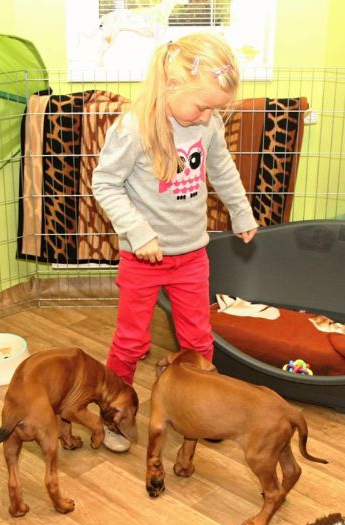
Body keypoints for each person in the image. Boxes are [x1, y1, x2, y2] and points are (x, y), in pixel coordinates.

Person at [92, 33, 258, 452]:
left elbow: (222, 169)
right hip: (142, 259)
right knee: (132, 342)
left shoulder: (207, 124)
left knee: (199, 341)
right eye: (202, 106)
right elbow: (105, 183)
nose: (207, 117)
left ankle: (203, 409)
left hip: (191, 255)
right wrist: (138, 231)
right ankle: (114, 413)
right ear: (170, 85)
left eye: (215, 109)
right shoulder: (133, 129)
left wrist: (240, 211)